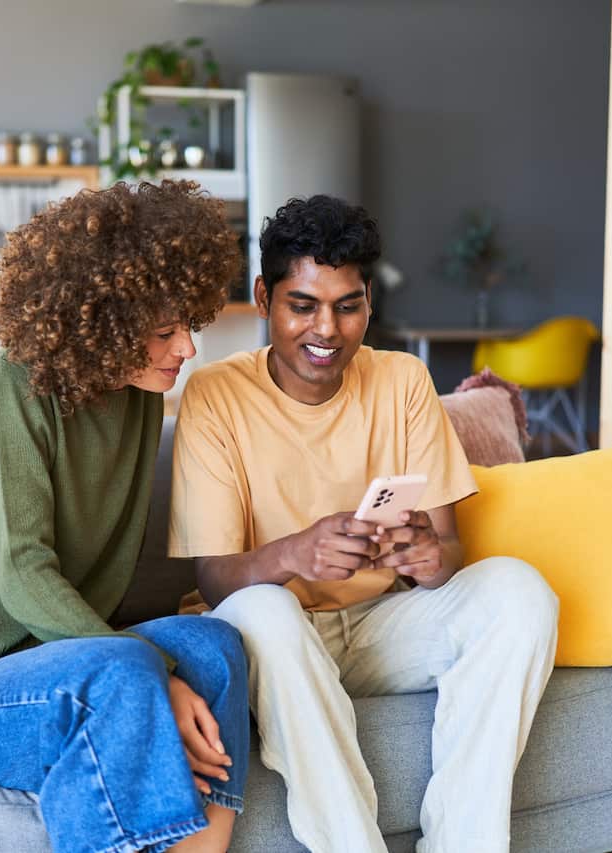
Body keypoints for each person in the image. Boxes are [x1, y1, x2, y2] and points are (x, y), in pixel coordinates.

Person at [168, 195, 559, 853]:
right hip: (274, 635)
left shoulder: (404, 380)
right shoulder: (215, 394)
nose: (327, 329)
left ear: (369, 303)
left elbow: (448, 549)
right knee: (263, 608)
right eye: (303, 305)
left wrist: (429, 557)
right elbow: (213, 576)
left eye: (348, 306)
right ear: (264, 297)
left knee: (521, 591)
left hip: (381, 628)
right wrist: (297, 551)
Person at [0, 180, 250, 853]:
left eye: (189, 326)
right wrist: (154, 674)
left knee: (217, 645)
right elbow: (24, 574)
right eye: (165, 331)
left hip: (67, 663)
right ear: (103, 319)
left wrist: (159, 667)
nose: (186, 350)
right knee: (129, 673)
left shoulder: (141, 396)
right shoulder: (11, 388)